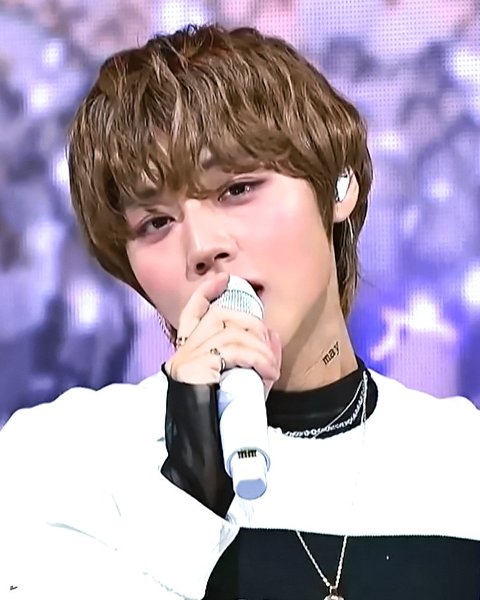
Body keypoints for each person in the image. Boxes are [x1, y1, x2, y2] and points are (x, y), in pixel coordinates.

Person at [0, 23, 479, 600]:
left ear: (338, 187)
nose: (203, 246)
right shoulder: (59, 455)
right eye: (156, 222)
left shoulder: (461, 459)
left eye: (237, 189)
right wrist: (186, 491)